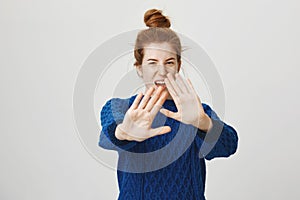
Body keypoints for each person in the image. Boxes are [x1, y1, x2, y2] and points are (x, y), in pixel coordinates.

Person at [99, 8, 238, 200]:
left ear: (178, 66)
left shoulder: (197, 112)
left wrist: (202, 122)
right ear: (139, 69)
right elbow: (105, 139)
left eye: (169, 62)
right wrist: (123, 132)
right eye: (152, 62)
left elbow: (229, 146)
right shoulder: (120, 108)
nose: (162, 71)